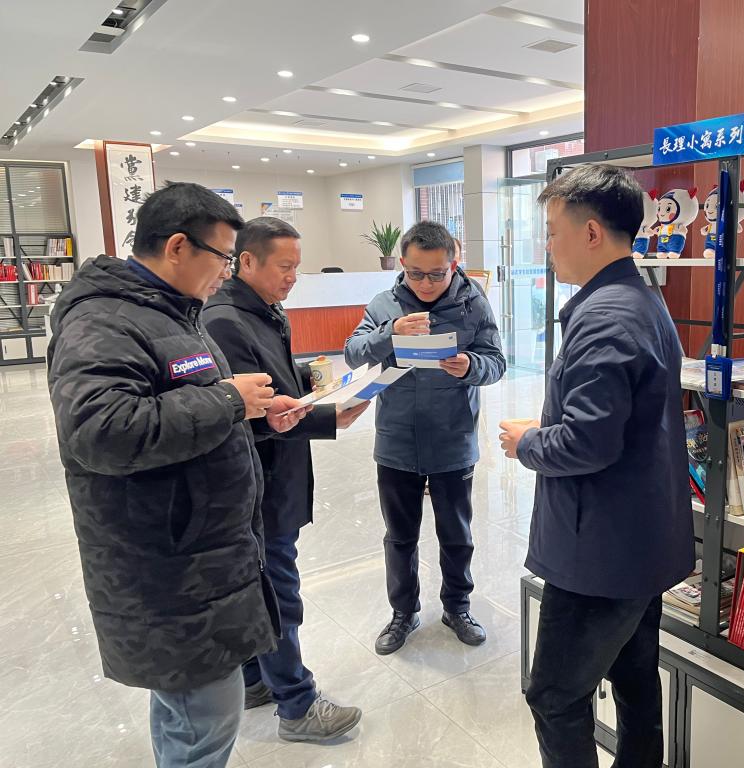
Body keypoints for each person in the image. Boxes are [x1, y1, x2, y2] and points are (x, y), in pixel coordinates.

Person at [47, 182, 310, 768]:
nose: (227, 271)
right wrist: (228, 400)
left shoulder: (173, 313)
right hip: (166, 564)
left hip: (200, 555)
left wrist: (255, 413)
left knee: (188, 712)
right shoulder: (104, 321)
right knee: (204, 720)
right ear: (176, 247)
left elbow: (186, 406)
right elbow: (100, 431)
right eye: (222, 257)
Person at [499, 164, 695, 768]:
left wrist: (527, 443)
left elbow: (587, 443)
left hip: (599, 552)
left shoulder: (605, 315)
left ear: (590, 233)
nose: (547, 246)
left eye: (552, 232)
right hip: (640, 538)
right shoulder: (642, 299)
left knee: (555, 695)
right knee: (634, 676)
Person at [203, 217, 369, 743]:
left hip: (280, 471)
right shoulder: (225, 320)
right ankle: (297, 704)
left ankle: (256, 679)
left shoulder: (263, 309)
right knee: (278, 590)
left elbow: (274, 382)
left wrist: (318, 386)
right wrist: (325, 417)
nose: (293, 277)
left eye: (297, 266)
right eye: (284, 266)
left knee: (266, 582)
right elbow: (247, 413)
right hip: (260, 482)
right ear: (246, 261)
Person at [345, 221, 506, 655]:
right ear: (402, 264)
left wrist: (471, 366)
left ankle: (458, 607)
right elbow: (353, 352)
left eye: (437, 274)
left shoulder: (474, 304)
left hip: (453, 440)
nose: (427, 283)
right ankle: (403, 612)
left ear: (454, 264)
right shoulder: (384, 304)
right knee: (399, 537)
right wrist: (390, 333)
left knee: (456, 534)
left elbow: (496, 362)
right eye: (416, 273)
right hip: (397, 442)